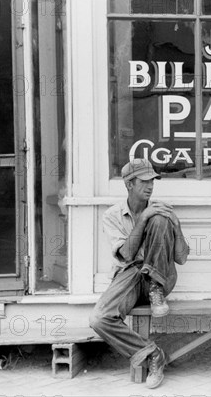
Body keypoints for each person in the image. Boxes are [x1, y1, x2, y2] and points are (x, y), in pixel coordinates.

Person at [89, 159, 190, 389]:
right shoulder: (113, 215)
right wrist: (143, 218)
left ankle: (155, 288)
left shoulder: (161, 213)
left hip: (162, 280)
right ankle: (153, 353)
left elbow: (182, 258)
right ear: (129, 184)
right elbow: (125, 255)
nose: (150, 186)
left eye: (152, 180)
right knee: (98, 319)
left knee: (160, 219)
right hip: (130, 277)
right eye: (144, 181)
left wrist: (176, 225)